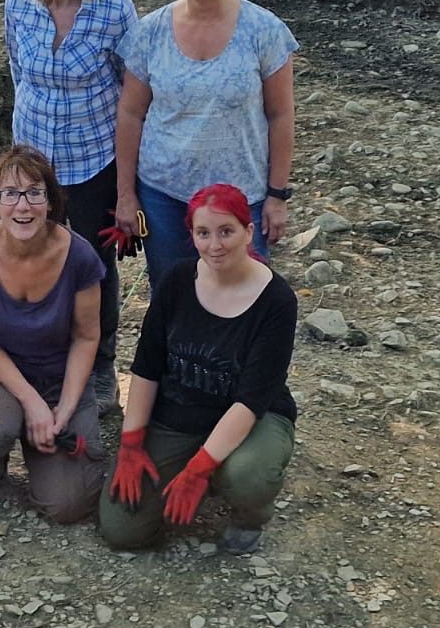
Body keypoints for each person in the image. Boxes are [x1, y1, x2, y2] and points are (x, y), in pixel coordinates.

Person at [99, 184, 297, 555]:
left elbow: (252, 398)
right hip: (180, 413)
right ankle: (200, 470)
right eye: (203, 233)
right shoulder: (176, 281)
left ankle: (248, 514)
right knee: (122, 530)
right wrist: (131, 443)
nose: (215, 245)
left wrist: (198, 468)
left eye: (226, 231)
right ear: (191, 235)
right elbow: (147, 365)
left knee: (247, 475)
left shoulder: (276, 301)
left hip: (252, 416)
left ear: (248, 231)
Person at [4, 0, 137, 414]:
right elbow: (18, 70)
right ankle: (43, 356)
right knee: (33, 255)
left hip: (93, 160)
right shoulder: (18, 2)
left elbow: (133, 93)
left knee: (92, 265)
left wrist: (127, 185)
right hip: (33, 162)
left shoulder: (115, 10)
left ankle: (101, 364)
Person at [114, 0, 297, 280]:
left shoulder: (264, 31)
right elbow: (131, 113)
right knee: (172, 297)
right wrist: (125, 194)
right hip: (164, 195)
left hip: (241, 196)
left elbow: (281, 115)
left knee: (241, 298)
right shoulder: (149, 33)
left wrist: (277, 195)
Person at [0, 145, 107, 523]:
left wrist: (63, 409)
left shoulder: (81, 257)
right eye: (10, 194)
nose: (23, 206)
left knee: (69, 505)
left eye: (35, 193)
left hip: (58, 375)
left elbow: (87, 338)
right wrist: (32, 404)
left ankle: (40, 442)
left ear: (51, 202)